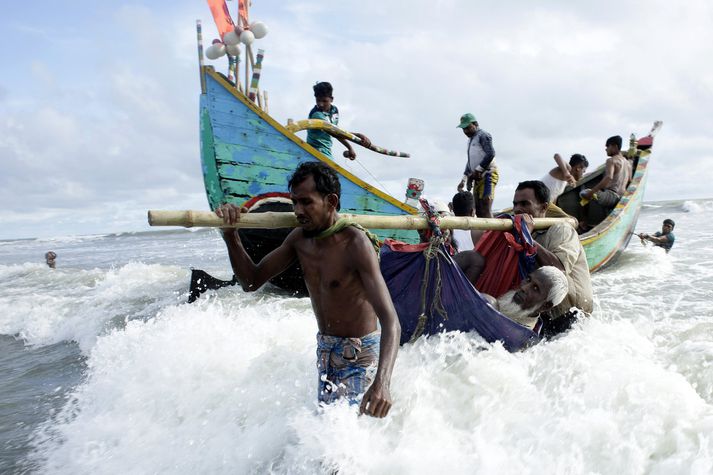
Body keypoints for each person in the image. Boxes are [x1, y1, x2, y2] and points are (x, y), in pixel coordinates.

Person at [216, 161, 400, 418]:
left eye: (306, 202)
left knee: (342, 435)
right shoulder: (299, 240)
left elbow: (391, 321)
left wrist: (382, 382)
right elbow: (251, 282)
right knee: (328, 430)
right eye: (294, 203)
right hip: (326, 351)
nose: (298, 211)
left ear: (331, 201)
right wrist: (231, 236)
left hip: (358, 355)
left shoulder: (354, 243)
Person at [511, 180, 593, 337]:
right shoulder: (526, 233)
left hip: (571, 315)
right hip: (544, 315)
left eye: (524, 204)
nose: (517, 209)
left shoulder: (561, 229)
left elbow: (558, 271)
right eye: (515, 204)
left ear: (544, 207)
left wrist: (528, 238)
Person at [483, 266, 569, 331]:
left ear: (545, 306)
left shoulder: (522, 335)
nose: (524, 288)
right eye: (528, 279)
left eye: (535, 288)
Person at [306, 82, 370, 160]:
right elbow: (335, 133)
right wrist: (357, 135)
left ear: (332, 99)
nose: (321, 104)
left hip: (327, 150)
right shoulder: (317, 114)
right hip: (314, 150)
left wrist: (350, 148)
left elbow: (337, 131)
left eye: (324, 101)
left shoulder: (334, 110)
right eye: (318, 100)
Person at [579, 136, 631, 231]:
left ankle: (584, 222)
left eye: (608, 146)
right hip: (621, 198)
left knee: (583, 192)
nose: (606, 149)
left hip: (610, 196)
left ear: (615, 146)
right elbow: (630, 180)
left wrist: (591, 193)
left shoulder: (611, 160)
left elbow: (608, 177)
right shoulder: (627, 164)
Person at [456, 113, 498, 218]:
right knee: (477, 208)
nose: (465, 131)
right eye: (463, 129)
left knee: (485, 205)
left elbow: (491, 153)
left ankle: (492, 233)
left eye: (468, 128)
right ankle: (482, 233)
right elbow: (470, 162)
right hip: (477, 177)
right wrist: (464, 179)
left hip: (488, 174)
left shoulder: (483, 135)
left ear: (475, 124)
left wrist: (478, 170)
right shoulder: (470, 140)